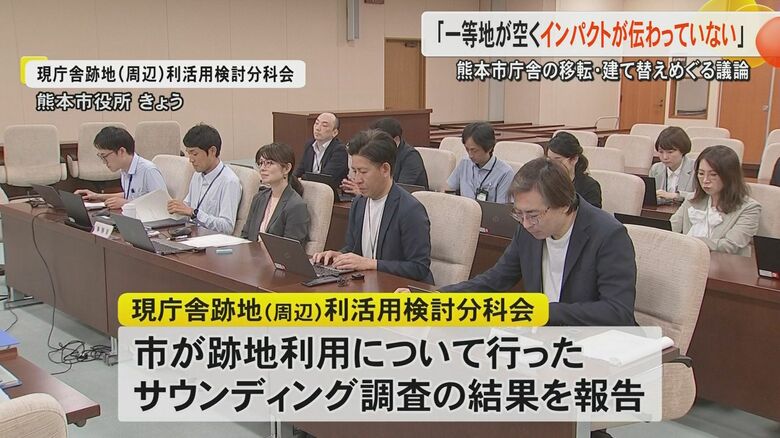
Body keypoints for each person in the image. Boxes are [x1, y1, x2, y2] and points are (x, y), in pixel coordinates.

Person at [439, 157, 637, 326]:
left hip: (594, 342)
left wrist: (541, 311)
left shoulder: (608, 235)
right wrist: (441, 298)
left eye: (533, 215)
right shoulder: (527, 230)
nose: (526, 224)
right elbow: (496, 279)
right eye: (519, 214)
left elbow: (617, 311)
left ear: (564, 204)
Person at [313, 129, 433, 283]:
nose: (357, 179)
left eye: (363, 172)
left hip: (399, 289)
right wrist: (339, 256)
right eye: (354, 171)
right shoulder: (359, 203)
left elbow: (419, 268)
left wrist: (371, 264)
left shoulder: (410, 210)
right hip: (367, 284)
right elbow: (352, 248)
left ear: (385, 169)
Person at [671, 145, 761, 256]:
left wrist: (689, 242)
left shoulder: (749, 208)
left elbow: (729, 246)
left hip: (725, 263)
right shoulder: (692, 199)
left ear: (729, 176)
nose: (705, 180)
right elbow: (671, 228)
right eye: (701, 173)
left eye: (713, 175)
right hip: (687, 258)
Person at [167, 123, 242, 234]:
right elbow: (188, 206)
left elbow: (227, 227)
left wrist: (194, 213)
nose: (190, 160)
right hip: (193, 235)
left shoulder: (229, 181)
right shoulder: (197, 175)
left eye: (194, 154)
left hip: (212, 241)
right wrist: (177, 207)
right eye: (188, 153)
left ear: (212, 151)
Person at [75, 126, 168, 209]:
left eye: (104, 156)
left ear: (121, 151)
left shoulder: (148, 170)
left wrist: (127, 204)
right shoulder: (125, 169)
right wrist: (97, 196)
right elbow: (130, 195)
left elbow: (163, 203)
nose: (104, 162)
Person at [240, 143, 309, 245]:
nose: (262, 168)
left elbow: (290, 249)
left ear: (286, 168)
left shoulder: (296, 205)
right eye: (261, 163)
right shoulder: (259, 198)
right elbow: (245, 235)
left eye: (269, 163)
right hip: (252, 253)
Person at [341, 117, 428, 194]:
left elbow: (403, 190)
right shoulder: (377, 154)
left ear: (396, 139)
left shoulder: (411, 156)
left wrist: (363, 192)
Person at [447, 122, 514, 203]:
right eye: (467, 149)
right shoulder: (464, 163)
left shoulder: (505, 173)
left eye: (474, 150)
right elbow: (449, 190)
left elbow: (502, 207)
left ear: (489, 148)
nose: (470, 155)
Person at [546, 131, 602, 208]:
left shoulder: (589, 187)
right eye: (550, 160)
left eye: (558, 160)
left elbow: (592, 214)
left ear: (574, 159)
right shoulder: (544, 182)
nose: (553, 165)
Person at [293, 112, 349, 183]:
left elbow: (325, 177)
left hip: (329, 189)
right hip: (309, 186)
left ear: (334, 132)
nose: (317, 128)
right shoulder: (309, 145)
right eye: (316, 123)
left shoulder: (339, 150)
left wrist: (302, 179)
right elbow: (299, 170)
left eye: (324, 125)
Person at [649, 126, 695, 203]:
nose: (665, 157)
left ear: (682, 150)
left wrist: (676, 196)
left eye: (670, 152)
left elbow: (702, 197)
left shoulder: (696, 169)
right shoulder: (655, 169)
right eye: (661, 152)